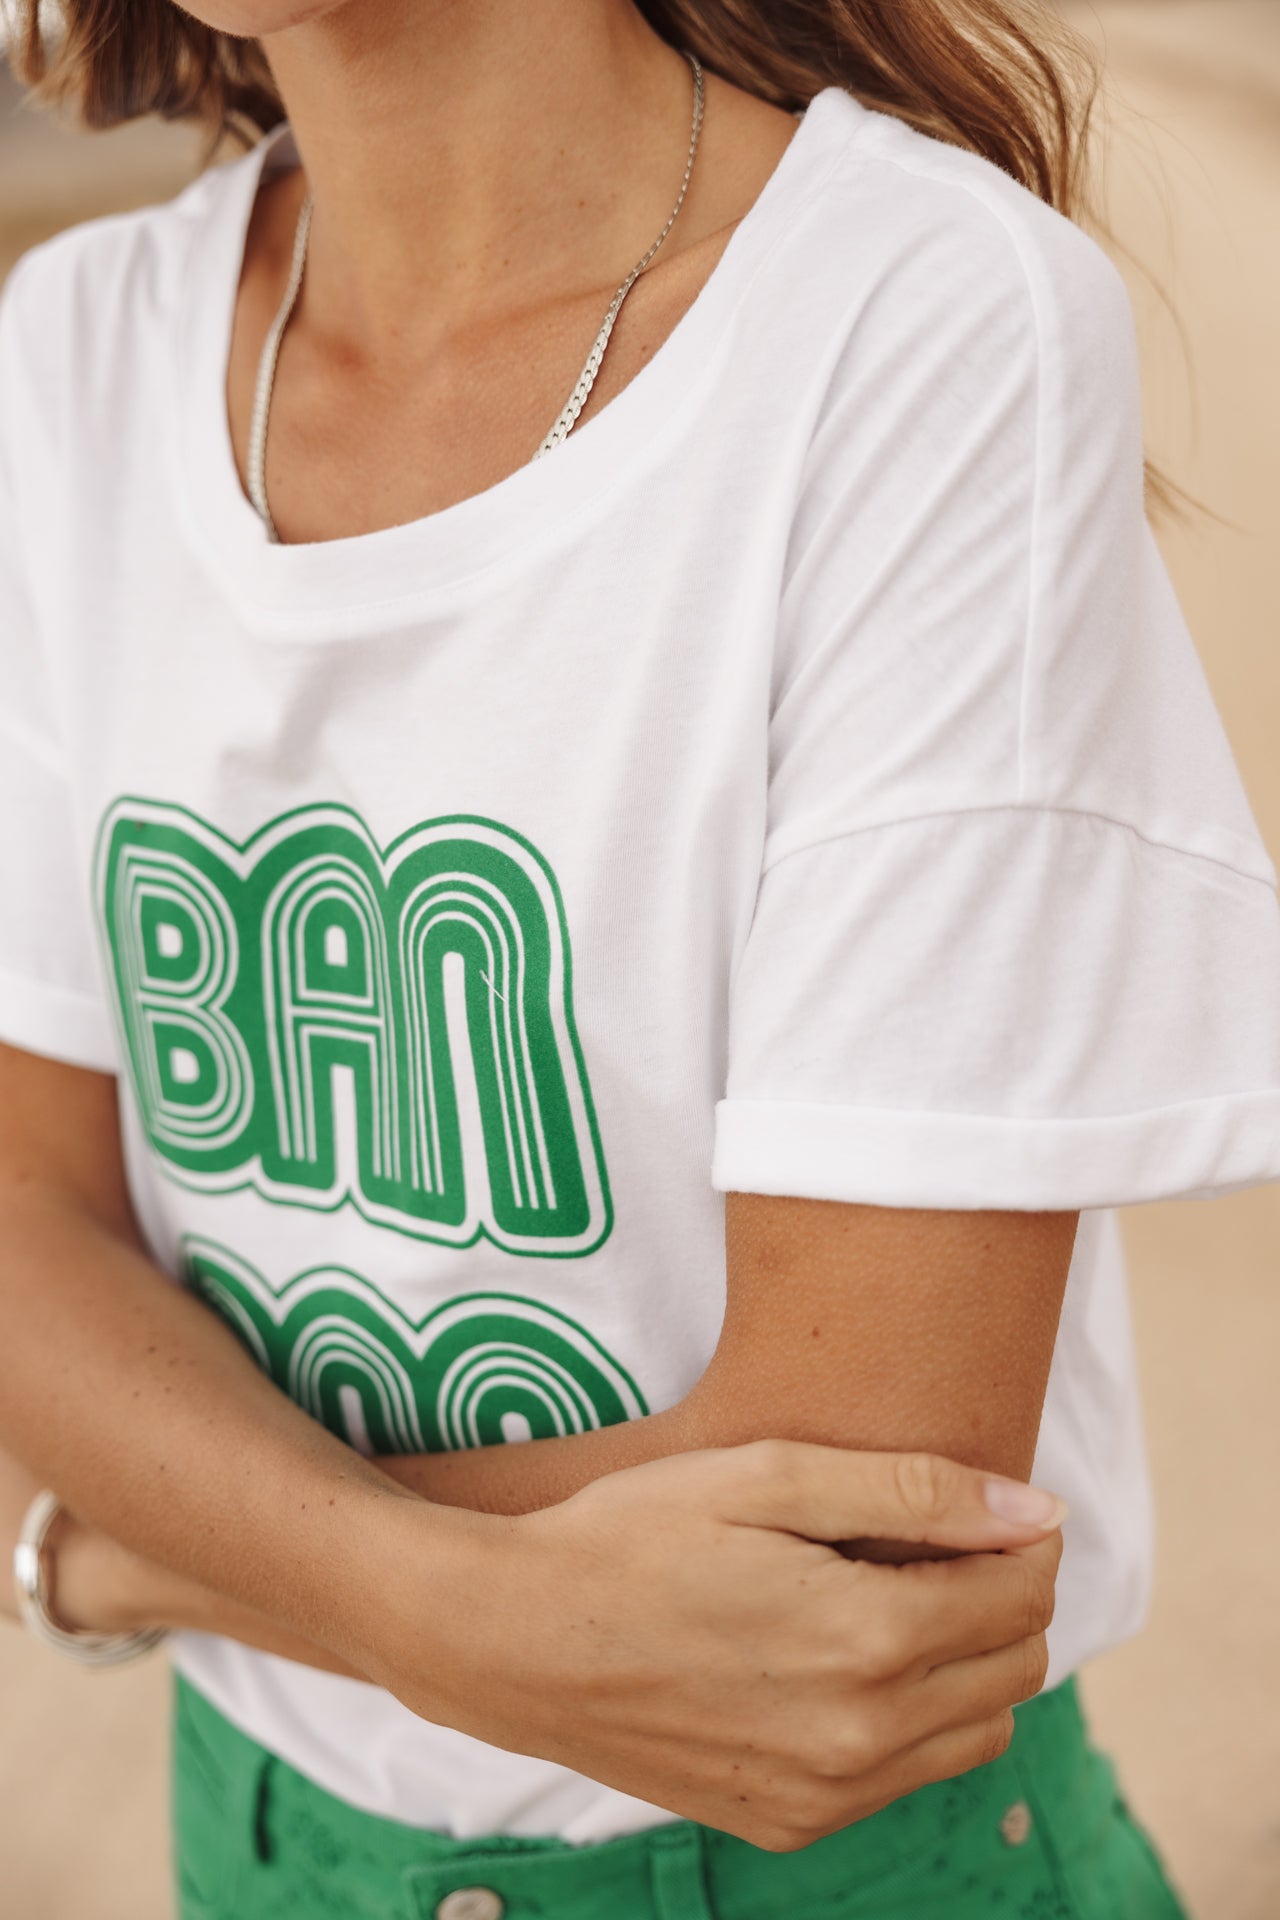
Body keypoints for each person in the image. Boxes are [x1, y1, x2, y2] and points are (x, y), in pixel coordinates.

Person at [1, 1, 1277, 1915]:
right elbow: (25, 1227)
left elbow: (851, 1541)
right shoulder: (75, 357)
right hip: (256, 1853)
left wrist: (117, 1539)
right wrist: (414, 1599)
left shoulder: (914, 321)